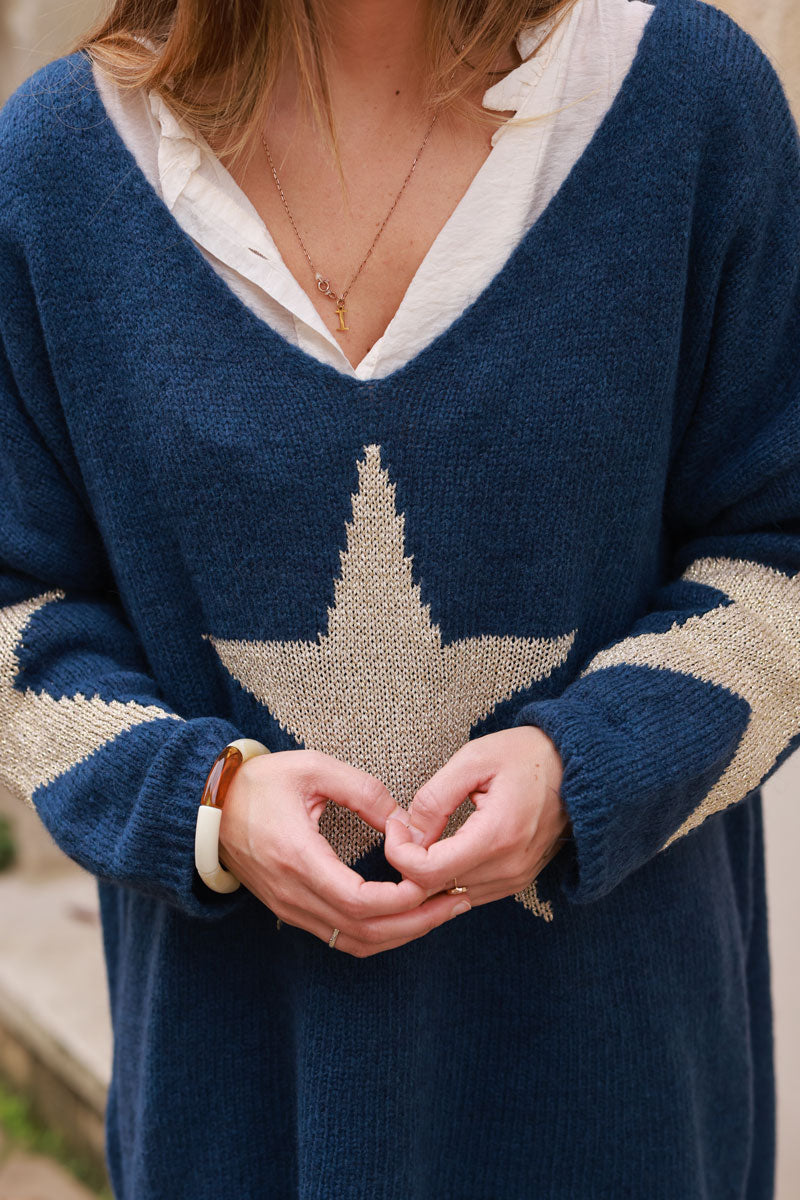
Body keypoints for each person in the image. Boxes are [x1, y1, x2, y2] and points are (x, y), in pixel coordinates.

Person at [0, 0, 798, 1194]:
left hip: (620, 1101)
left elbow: (778, 548)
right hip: (236, 1115)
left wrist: (588, 769)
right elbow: (19, 612)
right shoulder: (62, 166)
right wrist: (208, 804)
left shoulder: (683, 104)